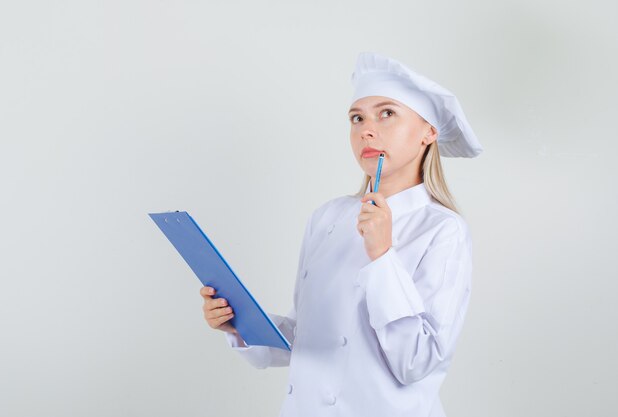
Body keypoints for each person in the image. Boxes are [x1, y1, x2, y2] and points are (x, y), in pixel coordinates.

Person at [200, 51, 483, 417]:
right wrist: (238, 324)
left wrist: (382, 257)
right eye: (356, 117)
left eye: (387, 113)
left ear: (429, 132)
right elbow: (306, 339)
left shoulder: (444, 230)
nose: (366, 129)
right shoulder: (327, 218)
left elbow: (417, 361)